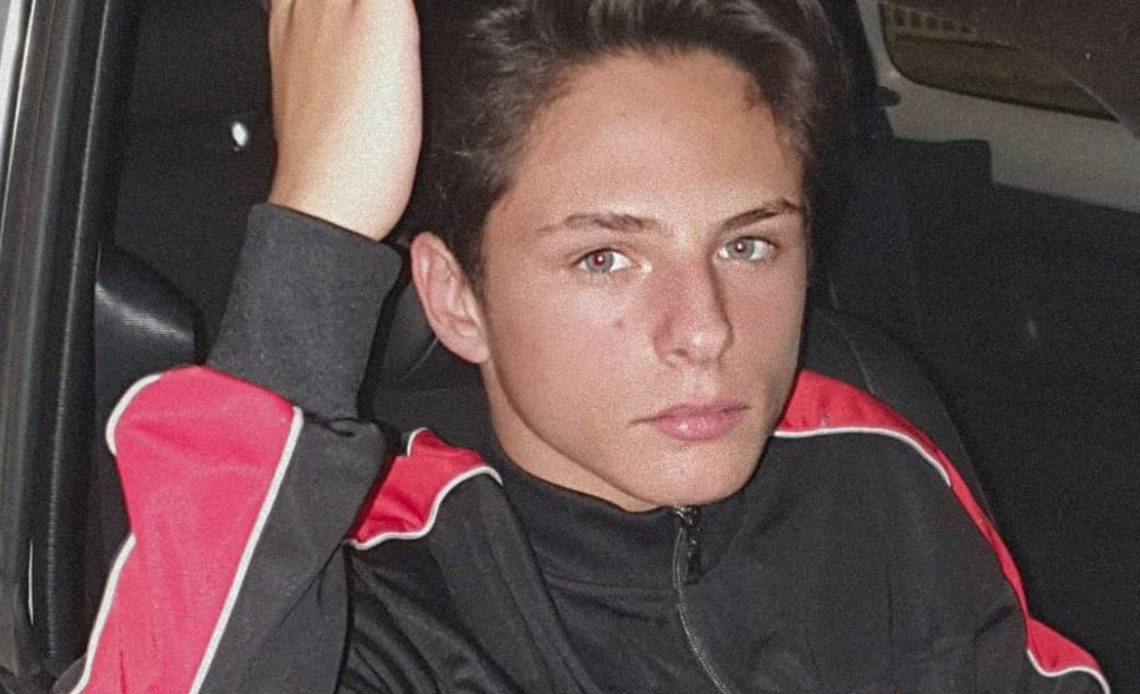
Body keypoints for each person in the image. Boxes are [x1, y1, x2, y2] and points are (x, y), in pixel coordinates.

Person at [57, 1, 1107, 692]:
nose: (705, 328)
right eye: (606, 258)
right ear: (456, 299)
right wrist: (316, 234)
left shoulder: (873, 460)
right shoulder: (373, 589)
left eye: (748, 243)